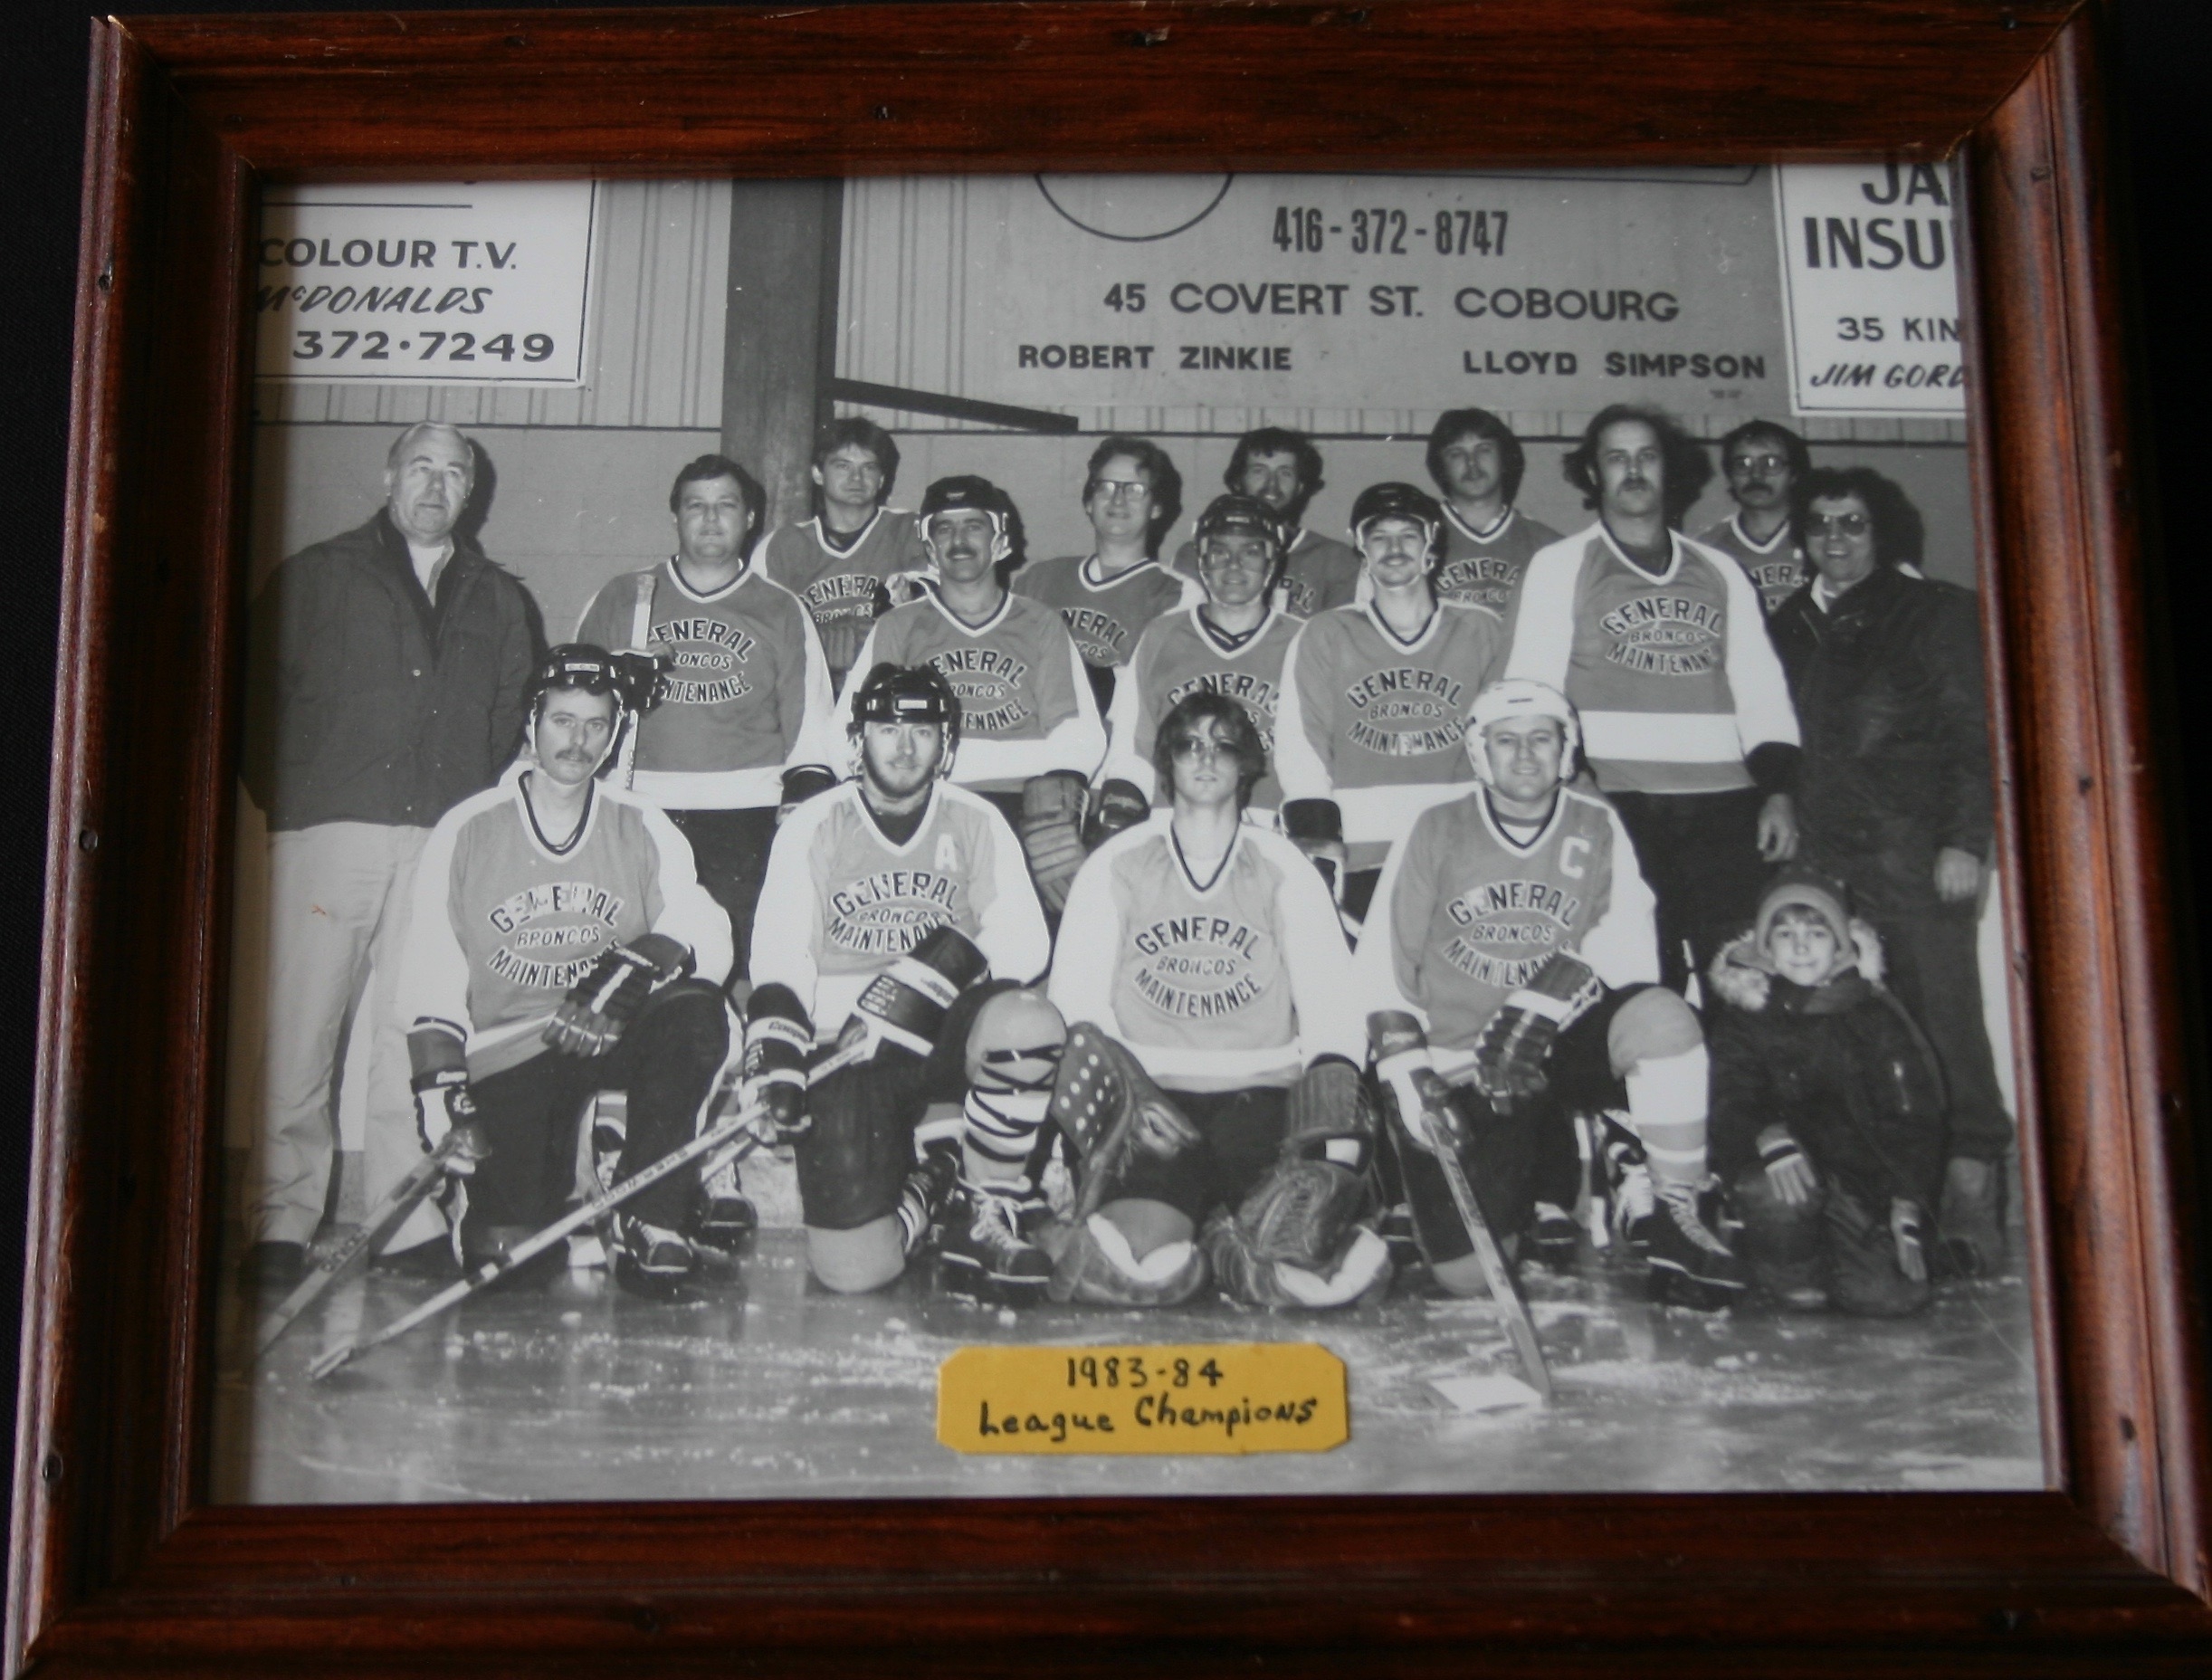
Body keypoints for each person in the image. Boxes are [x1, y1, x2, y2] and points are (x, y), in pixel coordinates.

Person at [238, 420, 539, 1285]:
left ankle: (399, 1218)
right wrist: (296, 797)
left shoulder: (498, 596)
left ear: (472, 493)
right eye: (421, 468)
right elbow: (247, 692)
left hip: (439, 841)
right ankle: (281, 1221)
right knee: (302, 1029)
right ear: (388, 476)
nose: (436, 486)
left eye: (454, 473)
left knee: (409, 1033)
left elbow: (510, 716)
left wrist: (463, 820)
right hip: (331, 833)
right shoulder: (320, 574)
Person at [1348, 679, 1745, 1309]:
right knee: (1468, 1275)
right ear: (1480, 753)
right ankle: (1529, 1191)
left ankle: (1677, 1209)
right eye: (1507, 741)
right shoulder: (1436, 827)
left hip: (1551, 1044)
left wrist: (1551, 995)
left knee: (1663, 1021)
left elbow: (1631, 958)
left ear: (1567, 749)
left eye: (1542, 738)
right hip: (1461, 1065)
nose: (1526, 755)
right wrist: (1409, 1074)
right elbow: (1380, 969)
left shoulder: (1597, 824)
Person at [394, 646, 736, 1298]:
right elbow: (430, 968)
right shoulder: (467, 828)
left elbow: (707, 930)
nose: (579, 742)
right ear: (531, 724)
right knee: (510, 1262)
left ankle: (649, 1215)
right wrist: (443, 1095)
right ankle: (569, 1192)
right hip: (511, 1049)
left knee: (697, 1011)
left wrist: (634, 967)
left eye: (596, 725)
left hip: (609, 1033)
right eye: (562, 721)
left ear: (614, 735)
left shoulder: (641, 822)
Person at [1045, 692, 1387, 1309]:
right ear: (1167, 762)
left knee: (1305, 1271)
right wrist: (1125, 1095)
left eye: (1222, 745)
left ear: (1247, 765)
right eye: (1188, 745)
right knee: (1140, 1269)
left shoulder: (1282, 863)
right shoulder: (1118, 863)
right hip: (1152, 1105)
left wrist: (1329, 1093)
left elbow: (1333, 1002)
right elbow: (1076, 1001)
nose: (1205, 758)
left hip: (1261, 1097)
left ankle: (1233, 1245)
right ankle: (1203, 1232)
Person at [1765, 465, 2008, 1274]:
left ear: (1884, 533)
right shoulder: (1788, 622)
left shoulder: (1936, 612)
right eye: (1821, 524)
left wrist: (1964, 841)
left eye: (1854, 524)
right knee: (1840, 1025)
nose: (1835, 539)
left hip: (1914, 851)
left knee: (1942, 1019)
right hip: (1823, 860)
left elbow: (1975, 735)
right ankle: (1874, 1198)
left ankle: (1972, 1194)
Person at [748, 663, 1054, 1296]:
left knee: (1026, 1018)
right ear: (859, 739)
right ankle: (939, 1178)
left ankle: (987, 1203)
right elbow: (780, 953)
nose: (906, 746)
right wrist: (776, 1059)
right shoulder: (817, 822)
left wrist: (921, 993)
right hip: (847, 1050)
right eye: (888, 729)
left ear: (947, 744)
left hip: (941, 1038)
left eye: (923, 731)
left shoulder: (975, 819)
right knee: (854, 1271)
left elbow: (1025, 939)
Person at [1503, 404, 1801, 992]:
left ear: (1672, 470)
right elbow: (1530, 692)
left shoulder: (1722, 570)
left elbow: (1762, 690)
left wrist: (1779, 794)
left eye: (1647, 456)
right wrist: (1576, 786)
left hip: (1724, 808)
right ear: (1593, 474)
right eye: (1616, 458)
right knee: (1642, 982)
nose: (1632, 470)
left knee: (1741, 983)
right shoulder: (1561, 564)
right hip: (1618, 802)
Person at [575, 453, 839, 984]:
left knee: (729, 966)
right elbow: (571, 705)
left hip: (743, 815)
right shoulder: (622, 596)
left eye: (726, 506)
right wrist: (614, 690)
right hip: (640, 804)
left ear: (749, 519)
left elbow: (810, 718)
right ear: (675, 517)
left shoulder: (780, 608)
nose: (711, 518)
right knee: (632, 960)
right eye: (696, 506)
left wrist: (802, 803)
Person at [836, 475, 1107, 913]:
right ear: (929, 545)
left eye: (973, 527)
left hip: (1019, 810)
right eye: (944, 529)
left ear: (999, 538)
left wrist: (1053, 786)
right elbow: (846, 737)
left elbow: (1078, 739)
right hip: (925, 806)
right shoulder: (899, 626)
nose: (958, 540)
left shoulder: (1039, 623)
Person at [1707, 873, 1946, 1314]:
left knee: (1893, 1299)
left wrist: (1907, 1204)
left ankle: (1847, 1252)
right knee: (1775, 1194)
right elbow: (1728, 1097)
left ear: (1840, 946)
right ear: (1766, 949)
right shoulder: (1746, 1016)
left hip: (1859, 1182)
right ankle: (1788, 1272)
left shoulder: (1876, 1015)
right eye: (1785, 934)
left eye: (1816, 934)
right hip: (1786, 1169)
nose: (1800, 948)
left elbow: (1913, 1117)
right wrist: (1765, 1134)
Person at [1273, 482, 1509, 920]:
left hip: (1463, 849)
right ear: (1361, 549)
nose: (1394, 548)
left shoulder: (1480, 629)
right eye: (1379, 537)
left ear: (1430, 544)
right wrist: (1320, 838)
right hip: (1362, 853)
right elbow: (1301, 745)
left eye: (1408, 535)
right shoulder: (1326, 634)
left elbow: (1507, 739)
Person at [1098, 493, 1304, 824]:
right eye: (1220, 551)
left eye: (1250, 552)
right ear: (1202, 559)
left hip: (1272, 828)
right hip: (1173, 823)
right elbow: (1131, 748)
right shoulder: (1161, 634)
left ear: (1272, 560)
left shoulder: (1306, 641)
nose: (1233, 565)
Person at [1012, 435, 1198, 713]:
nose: (1118, 499)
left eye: (1135, 489)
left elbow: (1164, 697)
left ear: (1156, 507)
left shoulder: (1178, 592)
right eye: (1106, 487)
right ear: (1089, 502)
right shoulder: (1039, 580)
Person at [759, 418, 928, 692]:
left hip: (892, 692)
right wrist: (817, 643)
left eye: (868, 468)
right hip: (811, 693)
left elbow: (943, 614)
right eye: (843, 466)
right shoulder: (781, 546)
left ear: (882, 478)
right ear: (817, 474)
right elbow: (758, 634)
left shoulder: (913, 531)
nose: (857, 479)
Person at [1169, 427, 1362, 617]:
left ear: (1300, 486)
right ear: (1238, 480)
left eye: (1285, 473)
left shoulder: (1334, 559)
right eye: (1259, 471)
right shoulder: (1198, 553)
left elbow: (1339, 639)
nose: (1272, 485)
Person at [1423, 407, 1563, 614]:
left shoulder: (1548, 547)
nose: (1472, 463)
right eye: (1456, 454)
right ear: (1441, 467)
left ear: (1504, 458)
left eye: (1484, 449)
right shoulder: (1415, 539)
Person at [1696, 420, 1813, 616]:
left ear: (1794, 474)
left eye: (1771, 463)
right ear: (1730, 474)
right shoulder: (1707, 549)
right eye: (1743, 464)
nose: (1756, 474)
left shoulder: (1819, 536)